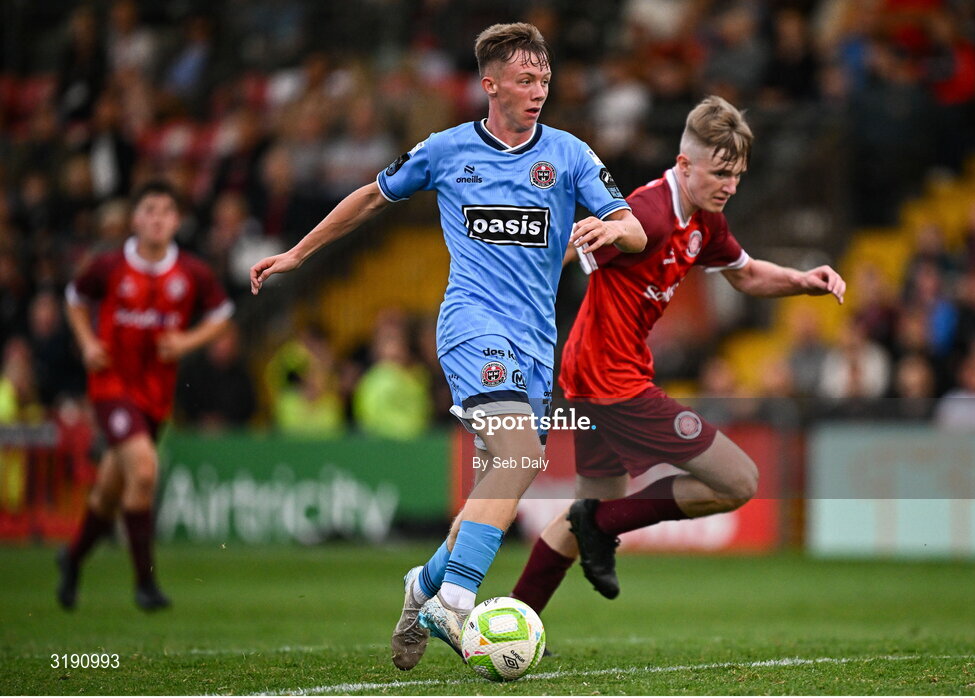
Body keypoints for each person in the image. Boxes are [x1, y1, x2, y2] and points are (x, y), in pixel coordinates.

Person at [248, 23, 645, 670]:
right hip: (471, 324)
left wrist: (609, 228)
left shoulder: (569, 155)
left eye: (543, 79)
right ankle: (456, 599)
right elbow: (370, 200)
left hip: (537, 341)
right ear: (489, 85)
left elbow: (632, 228)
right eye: (524, 80)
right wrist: (297, 252)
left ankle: (423, 585)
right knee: (518, 454)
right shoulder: (446, 149)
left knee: (500, 479)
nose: (537, 90)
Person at [509, 96, 846, 615]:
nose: (730, 186)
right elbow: (588, 241)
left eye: (737, 175)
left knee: (590, 504)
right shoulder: (647, 211)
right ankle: (598, 524)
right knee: (738, 482)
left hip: (593, 373)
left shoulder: (706, 221)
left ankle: (512, 620)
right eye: (720, 174)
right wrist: (580, 238)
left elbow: (746, 273)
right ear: (685, 165)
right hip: (610, 380)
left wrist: (804, 281)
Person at [58, 181, 233, 611]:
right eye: (149, 210)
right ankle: (145, 584)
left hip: (156, 395)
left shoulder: (191, 272)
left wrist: (186, 342)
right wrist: (86, 343)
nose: (157, 218)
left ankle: (73, 558)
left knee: (109, 490)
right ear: (135, 219)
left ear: (176, 221)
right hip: (111, 386)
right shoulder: (108, 266)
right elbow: (74, 299)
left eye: (166, 211)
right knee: (144, 468)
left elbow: (222, 314)